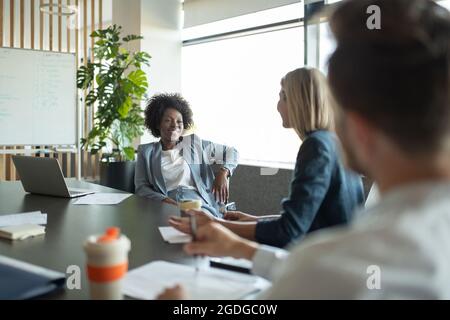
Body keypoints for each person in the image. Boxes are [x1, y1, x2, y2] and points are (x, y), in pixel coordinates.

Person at [160, 0, 450, 299]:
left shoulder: (318, 149)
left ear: (359, 126)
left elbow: (303, 247)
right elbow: (312, 236)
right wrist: (244, 240)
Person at [170, 68, 364, 248]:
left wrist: (216, 224)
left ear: (297, 101)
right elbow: (304, 219)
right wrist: (252, 219)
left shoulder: (315, 146)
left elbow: (288, 231)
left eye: (282, 97)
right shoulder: (334, 141)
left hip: (322, 261)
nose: (278, 105)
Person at [135, 93, 239, 217]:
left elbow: (232, 152)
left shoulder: (194, 144)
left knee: (200, 224)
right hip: (166, 204)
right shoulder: (146, 152)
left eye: (179, 121)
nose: (174, 125)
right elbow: (141, 188)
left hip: (197, 203)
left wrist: (224, 171)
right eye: (168, 120)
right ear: (157, 124)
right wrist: (164, 200)